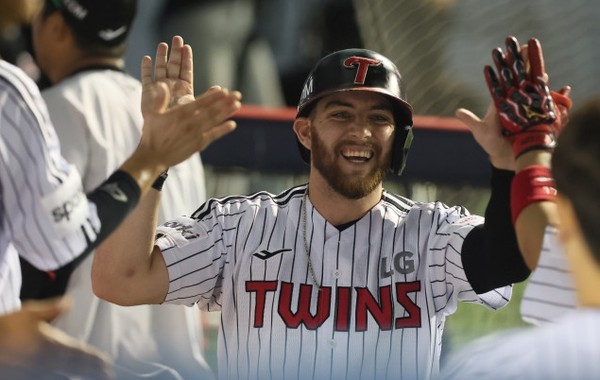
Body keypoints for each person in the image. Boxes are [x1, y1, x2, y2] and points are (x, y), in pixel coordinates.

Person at [91, 41, 544, 379]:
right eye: (341, 114)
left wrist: (512, 165)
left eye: (380, 119)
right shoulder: (240, 228)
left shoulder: (430, 233)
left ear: (398, 139)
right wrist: (152, 157)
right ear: (305, 133)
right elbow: (119, 279)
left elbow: (508, 259)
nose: (362, 132)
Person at [0, 0, 242, 377]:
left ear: (58, 28)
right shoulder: (171, 113)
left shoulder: (54, 105)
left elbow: (46, 254)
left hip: (86, 362)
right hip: (178, 364)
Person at [438, 51, 600, 378]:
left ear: (565, 219)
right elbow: (542, 232)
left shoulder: (497, 367)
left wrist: (533, 144)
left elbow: (540, 232)